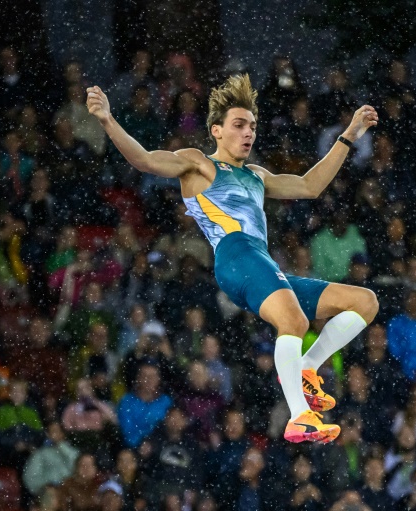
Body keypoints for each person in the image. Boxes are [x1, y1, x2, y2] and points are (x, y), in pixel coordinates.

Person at [87, 74, 380, 443]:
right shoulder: (199, 164)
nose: (248, 133)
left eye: (253, 127)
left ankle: (307, 367)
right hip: (235, 257)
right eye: (239, 125)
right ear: (216, 131)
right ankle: (299, 416)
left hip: (264, 263)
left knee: (364, 302)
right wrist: (107, 119)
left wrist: (348, 135)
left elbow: (309, 186)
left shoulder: (257, 174)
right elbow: (144, 160)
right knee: (294, 320)